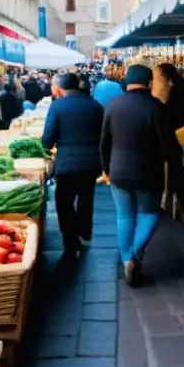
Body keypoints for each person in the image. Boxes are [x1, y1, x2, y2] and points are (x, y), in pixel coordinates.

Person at [100, 64, 182, 285]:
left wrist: (106, 169)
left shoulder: (113, 106)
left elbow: (104, 143)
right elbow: (168, 144)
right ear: (150, 83)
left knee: (124, 216)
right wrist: (174, 157)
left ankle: (127, 257)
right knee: (150, 214)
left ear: (126, 81)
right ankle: (133, 256)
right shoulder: (156, 107)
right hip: (147, 173)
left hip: (118, 172)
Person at [42, 72, 105, 251]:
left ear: (60, 88)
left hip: (66, 164)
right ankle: (84, 233)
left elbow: (48, 138)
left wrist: (46, 147)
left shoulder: (57, 106)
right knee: (86, 198)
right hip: (92, 163)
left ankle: (70, 239)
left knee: (64, 201)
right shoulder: (95, 106)